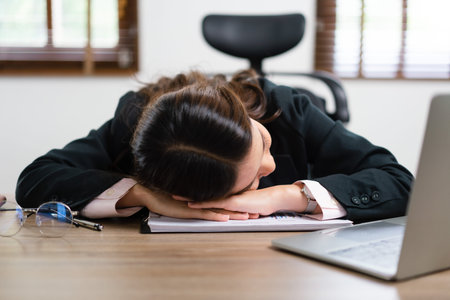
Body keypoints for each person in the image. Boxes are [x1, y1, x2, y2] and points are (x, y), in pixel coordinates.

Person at [15, 70, 413, 223]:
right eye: (249, 181)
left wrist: (289, 196)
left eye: (261, 142)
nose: (270, 165)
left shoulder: (286, 108)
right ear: (185, 194)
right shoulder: (131, 123)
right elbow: (35, 180)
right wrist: (143, 195)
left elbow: (400, 181)